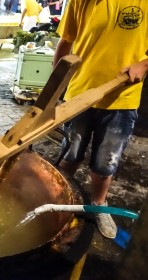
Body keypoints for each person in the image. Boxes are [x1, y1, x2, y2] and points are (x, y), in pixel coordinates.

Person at [53, 0, 148, 239]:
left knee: (105, 164)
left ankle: (99, 204)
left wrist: (144, 64)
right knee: (70, 155)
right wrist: (55, 88)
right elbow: (66, 41)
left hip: (121, 100)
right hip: (79, 94)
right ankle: (62, 201)